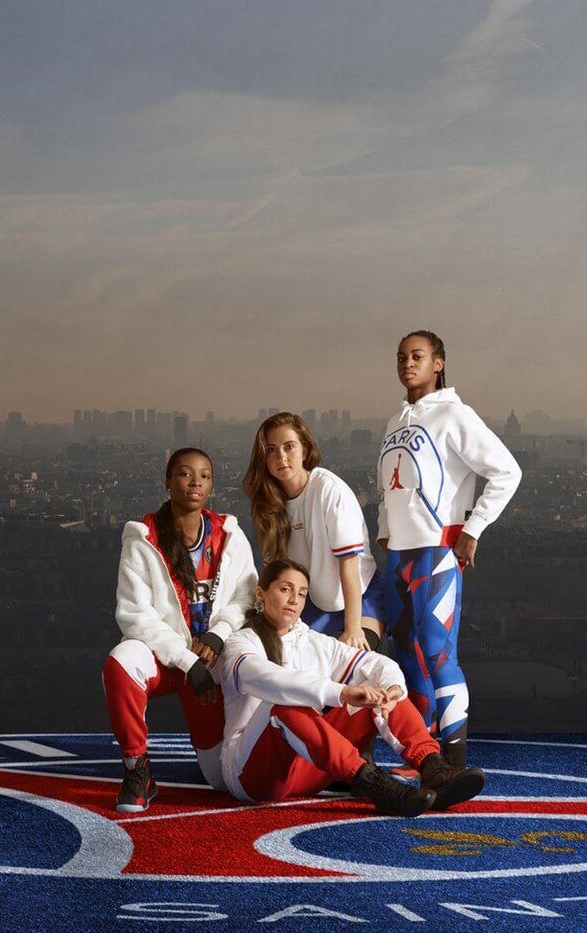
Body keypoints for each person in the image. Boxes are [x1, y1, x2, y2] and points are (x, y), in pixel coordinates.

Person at [217, 559, 485, 816]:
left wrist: (391, 688)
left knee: (376, 686)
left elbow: (373, 663)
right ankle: (372, 783)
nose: (294, 600)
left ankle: (432, 767)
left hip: (310, 769)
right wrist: (341, 692)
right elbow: (269, 680)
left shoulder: (313, 641)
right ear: (261, 595)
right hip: (253, 776)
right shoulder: (240, 643)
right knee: (283, 704)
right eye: (285, 589)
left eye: (301, 593)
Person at [377, 330, 522, 768]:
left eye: (417, 356)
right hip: (399, 556)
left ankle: (455, 759)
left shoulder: (455, 415)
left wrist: (473, 529)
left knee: (438, 652)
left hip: (437, 552)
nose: (408, 363)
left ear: (438, 362)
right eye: (402, 356)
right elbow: (389, 487)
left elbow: (507, 472)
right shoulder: (395, 421)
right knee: (406, 653)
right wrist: (385, 529)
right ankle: (424, 752)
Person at [102, 447, 258, 812]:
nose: (195, 482)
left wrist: (218, 634)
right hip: (166, 657)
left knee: (220, 779)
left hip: (211, 661)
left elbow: (248, 599)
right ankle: (137, 770)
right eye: (185, 474)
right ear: (168, 483)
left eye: (204, 476)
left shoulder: (229, 535)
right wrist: (188, 663)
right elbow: (135, 616)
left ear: (212, 486)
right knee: (119, 663)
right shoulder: (143, 538)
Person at [242, 412, 386, 651]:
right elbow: (277, 571)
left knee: (348, 662)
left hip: (359, 598)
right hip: (314, 602)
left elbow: (349, 565)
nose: (281, 457)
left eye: (289, 447)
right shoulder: (268, 503)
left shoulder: (328, 490)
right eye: (271, 450)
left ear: (305, 451)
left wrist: (353, 629)